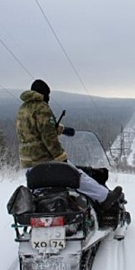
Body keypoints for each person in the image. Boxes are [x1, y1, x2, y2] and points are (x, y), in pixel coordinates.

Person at [16, 79, 122, 210]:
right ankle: (104, 197)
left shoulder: (23, 108)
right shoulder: (41, 108)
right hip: (44, 159)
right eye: (48, 94)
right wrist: (61, 157)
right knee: (77, 176)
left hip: (28, 162)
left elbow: (37, 129)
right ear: (44, 93)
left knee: (40, 190)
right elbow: (48, 136)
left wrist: (63, 129)